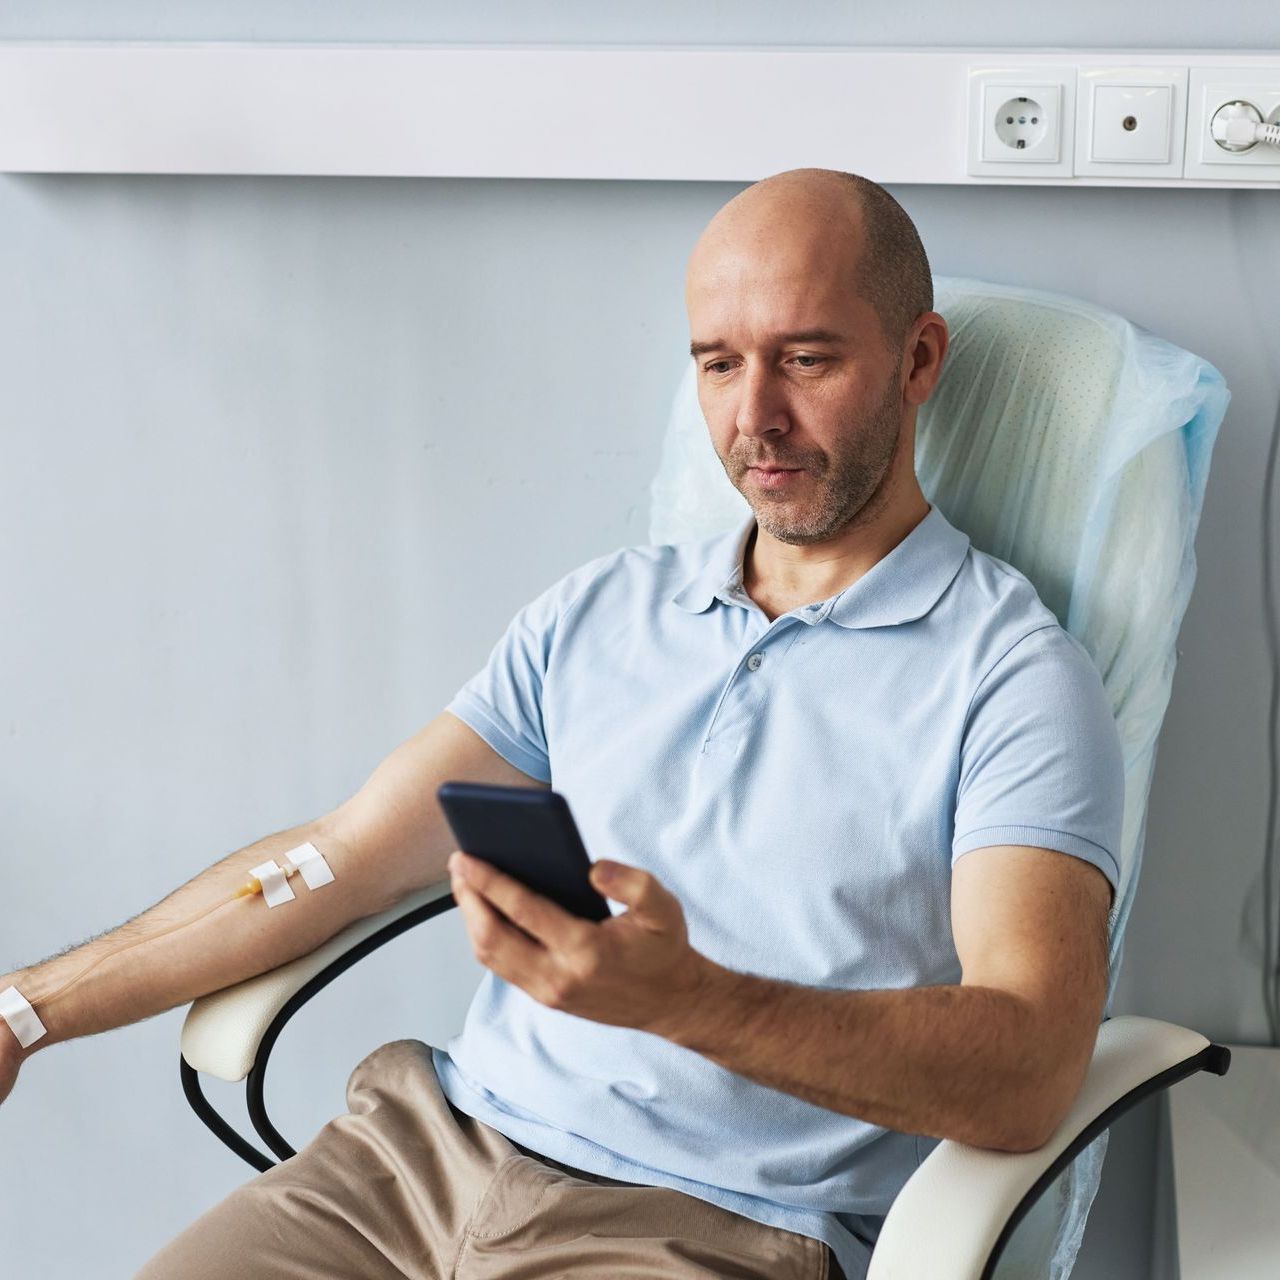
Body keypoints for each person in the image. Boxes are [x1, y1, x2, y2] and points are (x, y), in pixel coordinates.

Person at [0, 168, 1122, 1280]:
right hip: (414, 1163)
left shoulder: (1012, 679)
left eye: (806, 358)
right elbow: (336, 858)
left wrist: (687, 1000)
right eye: (717, 363)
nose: (753, 418)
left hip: (705, 1224)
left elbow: (1026, 1068)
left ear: (917, 359)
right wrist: (24, 1012)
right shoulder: (600, 615)